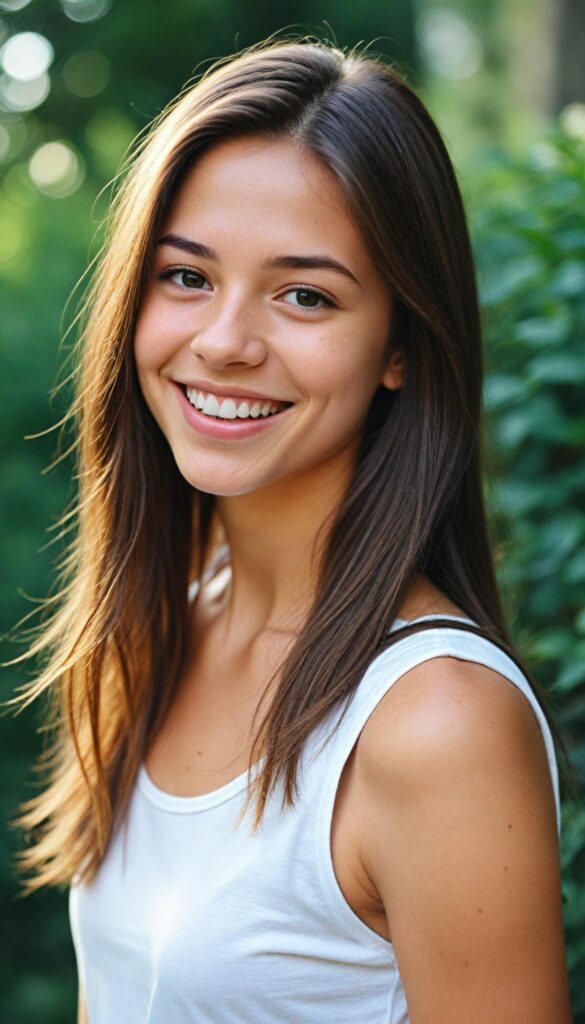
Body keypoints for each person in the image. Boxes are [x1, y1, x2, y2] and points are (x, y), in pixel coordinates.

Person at [13, 38, 572, 1023]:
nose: (225, 341)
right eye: (186, 276)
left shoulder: (437, 725)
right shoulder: (162, 624)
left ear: (401, 345)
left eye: (304, 295)